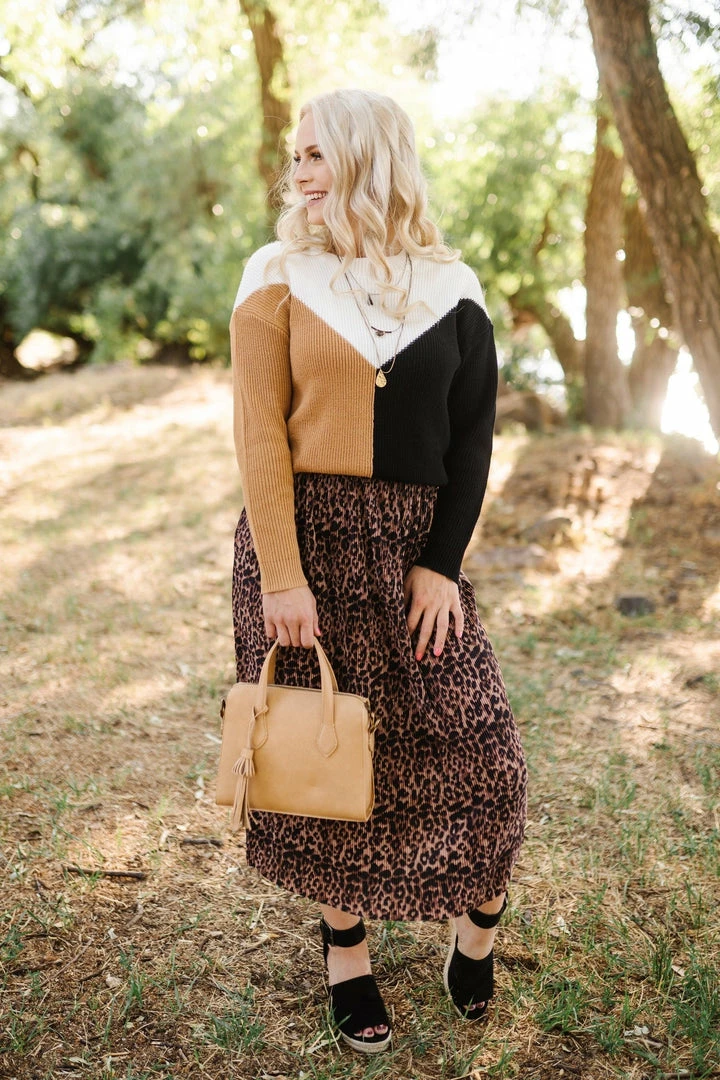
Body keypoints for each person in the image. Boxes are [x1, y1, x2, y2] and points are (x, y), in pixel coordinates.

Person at [229, 88, 527, 1054]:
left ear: (369, 155)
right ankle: (346, 951)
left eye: (317, 153)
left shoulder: (453, 286)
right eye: (297, 156)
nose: (300, 172)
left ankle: (474, 938)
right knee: (329, 759)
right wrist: (282, 576)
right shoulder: (276, 274)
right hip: (305, 549)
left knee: (484, 757)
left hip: (413, 557)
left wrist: (442, 565)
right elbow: (258, 436)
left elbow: (473, 441)